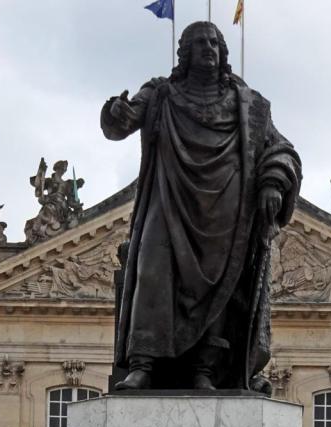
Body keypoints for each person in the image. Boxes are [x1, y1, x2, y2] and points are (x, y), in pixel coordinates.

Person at [101, 21, 302, 392]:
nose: (208, 48)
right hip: (169, 195)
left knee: (219, 284)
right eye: (198, 43)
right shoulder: (161, 94)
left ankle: (204, 369)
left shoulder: (248, 104)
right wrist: (118, 112)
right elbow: (121, 124)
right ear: (185, 53)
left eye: (214, 42)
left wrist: (273, 180)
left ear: (223, 51)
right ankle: (142, 364)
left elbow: (281, 148)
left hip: (225, 206)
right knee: (151, 269)